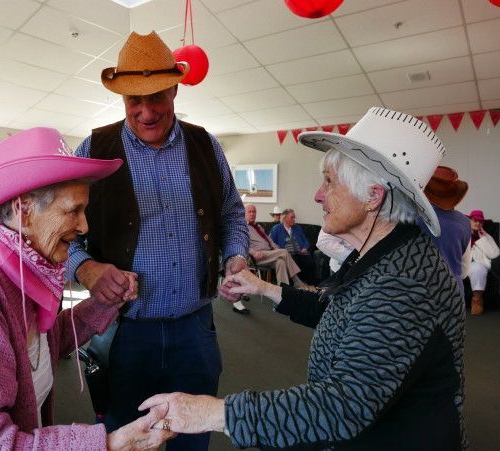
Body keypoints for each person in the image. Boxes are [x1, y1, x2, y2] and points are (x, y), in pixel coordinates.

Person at [140, 107, 467, 450]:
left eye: (329, 181)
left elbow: (342, 406)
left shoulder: (404, 285)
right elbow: (341, 313)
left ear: (374, 195)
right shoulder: (384, 254)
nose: (317, 195)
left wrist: (212, 413)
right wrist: (263, 287)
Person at [0, 128, 175, 450]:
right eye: (73, 210)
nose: (84, 226)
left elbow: (36, 348)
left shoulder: (15, 264)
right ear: (23, 209)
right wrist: (110, 445)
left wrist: (103, 303)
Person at [67, 31, 248, 451]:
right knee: (127, 437)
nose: (146, 112)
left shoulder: (205, 145)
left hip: (195, 330)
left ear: (175, 89)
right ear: (122, 100)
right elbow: (60, 233)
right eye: (134, 101)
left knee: (192, 439)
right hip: (124, 333)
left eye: (157, 98)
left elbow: (231, 213)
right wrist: (86, 268)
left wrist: (236, 255)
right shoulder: (94, 149)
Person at [421, 166, 471, 294]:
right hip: (453, 293)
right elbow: (464, 271)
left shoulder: (409, 218)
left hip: (418, 293)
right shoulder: (465, 222)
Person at [245, 204, 304, 288]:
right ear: (244, 213)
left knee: (281, 262)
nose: (252, 214)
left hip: (269, 254)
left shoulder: (258, 226)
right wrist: (253, 252)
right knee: (284, 252)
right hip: (257, 256)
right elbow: (242, 244)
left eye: (254, 211)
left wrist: (275, 247)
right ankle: (296, 280)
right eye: (249, 212)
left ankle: (284, 289)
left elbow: (268, 239)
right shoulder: (243, 227)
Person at [269, 208, 317, 285]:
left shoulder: (297, 228)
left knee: (309, 261)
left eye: (294, 217)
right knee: (293, 261)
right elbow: (271, 242)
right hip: (287, 254)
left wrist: (305, 248)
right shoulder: (277, 228)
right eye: (292, 217)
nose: (294, 219)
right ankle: (294, 286)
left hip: (300, 252)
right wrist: (278, 249)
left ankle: (312, 286)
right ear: (285, 218)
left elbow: (305, 240)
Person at [466, 209, 500, 315]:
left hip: (477, 263)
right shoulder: (461, 234)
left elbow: (494, 254)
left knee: (478, 269)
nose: (478, 223)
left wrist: (482, 239)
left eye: (480, 221)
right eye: (475, 220)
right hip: (461, 263)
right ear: (469, 221)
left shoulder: (486, 236)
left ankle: (477, 300)